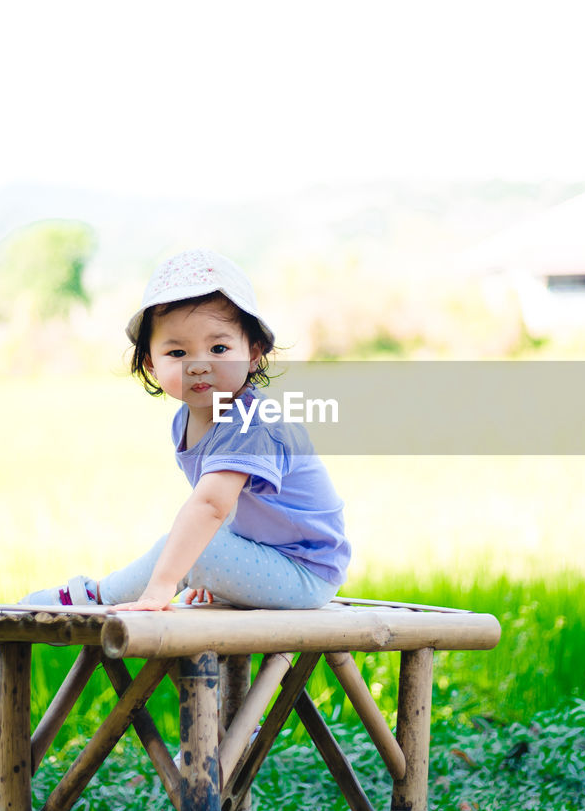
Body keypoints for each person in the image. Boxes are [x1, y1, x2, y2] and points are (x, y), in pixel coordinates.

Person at [22, 249, 349, 611]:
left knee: (193, 544)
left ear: (253, 353)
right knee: (193, 545)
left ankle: (95, 597)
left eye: (219, 348)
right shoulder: (187, 419)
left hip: (305, 573)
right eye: (177, 353)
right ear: (150, 362)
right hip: (269, 557)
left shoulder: (252, 424)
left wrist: (163, 585)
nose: (197, 365)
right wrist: (221, 574)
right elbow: (230, 510)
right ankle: (127, 588)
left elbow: (210, 506)